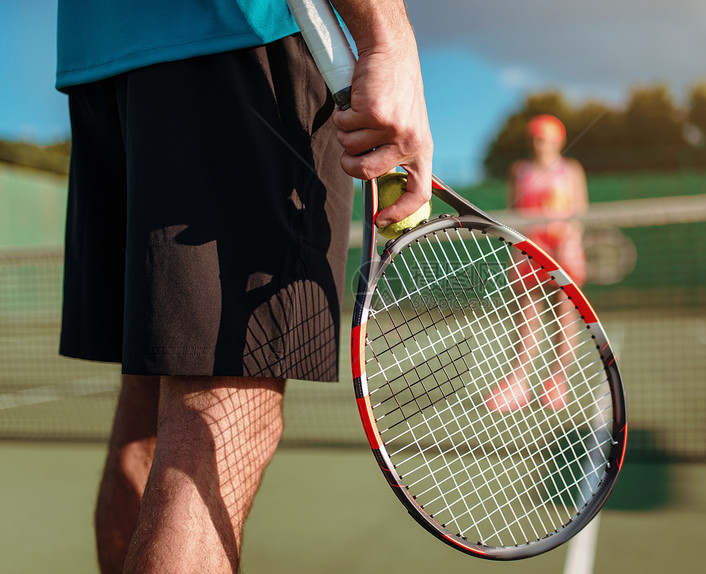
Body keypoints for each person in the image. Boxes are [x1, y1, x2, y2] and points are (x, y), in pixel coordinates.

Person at [55, 1, 432, 573]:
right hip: (243, 42)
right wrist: (386, 40)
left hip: (98, 59)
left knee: (146, 414)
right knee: (223, 421)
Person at [483, 114, 588, 413]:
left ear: (559, 140)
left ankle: (557, 380)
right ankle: (519, 381)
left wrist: (569, 241)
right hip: (530, 251)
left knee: (565, 315)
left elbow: (580, 211)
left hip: (564, 249)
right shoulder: (520, 170)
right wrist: (518, 249)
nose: (539, 143)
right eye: (536, 138)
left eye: (545, 138)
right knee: (527, 316)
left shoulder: (571, 170)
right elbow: (513, 213)